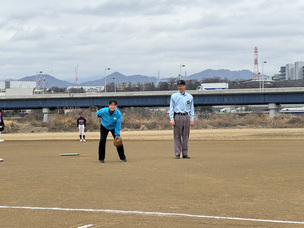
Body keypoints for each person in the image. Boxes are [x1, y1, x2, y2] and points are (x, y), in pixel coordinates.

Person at [169, 80, 194, 159]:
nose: (180, 87)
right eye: (178, 86)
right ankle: (177, 153)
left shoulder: (189, 97)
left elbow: (191, 108)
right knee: (177, 136)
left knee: (186, 136)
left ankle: (185, 153)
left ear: (184, 86)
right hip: (178, 116)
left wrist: (192, 118)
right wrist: (171, 119)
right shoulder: (174, 96)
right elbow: (171, 108)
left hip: (186, 116)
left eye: (181, 86)